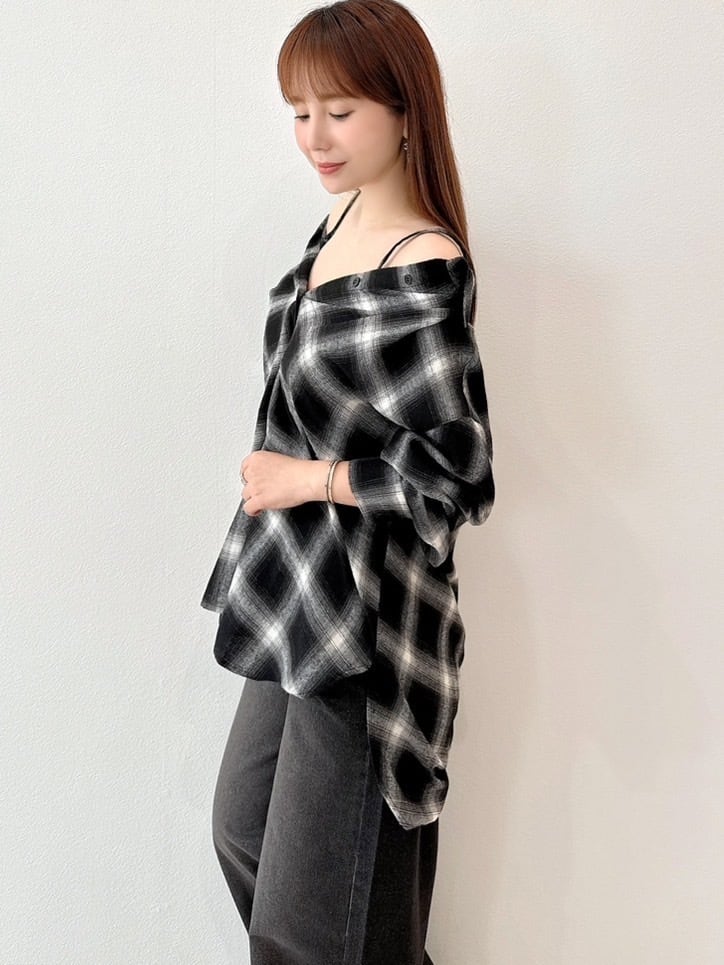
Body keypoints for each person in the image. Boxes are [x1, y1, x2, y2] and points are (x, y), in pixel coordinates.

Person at [201, 1, 495, 962]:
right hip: (293, 593)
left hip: (369, 620)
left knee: (303, 923)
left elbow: (459, 472)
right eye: (300, 112)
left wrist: (310, 478)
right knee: (241, 832)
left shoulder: (423, 266)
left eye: (340, 111)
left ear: (405, 112)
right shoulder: (335, 226)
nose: (314, 138)